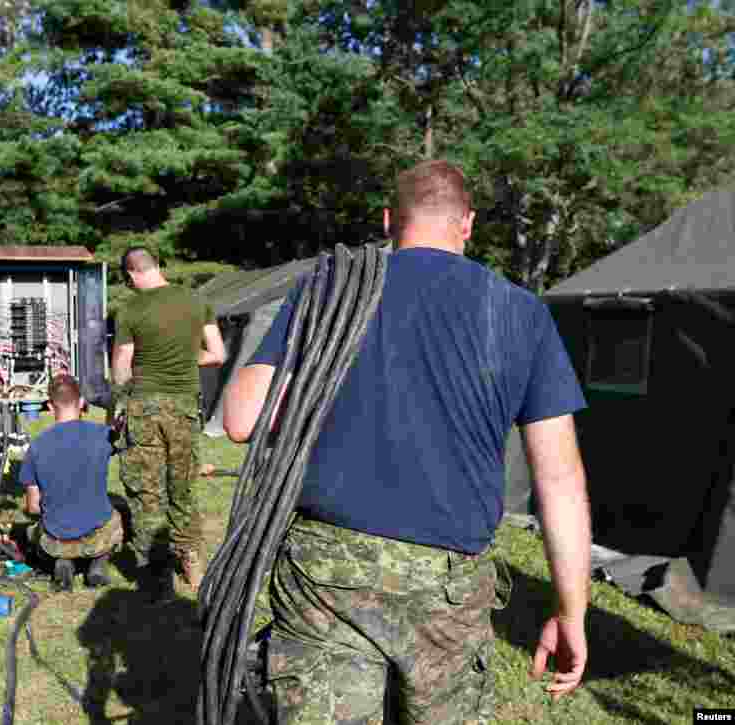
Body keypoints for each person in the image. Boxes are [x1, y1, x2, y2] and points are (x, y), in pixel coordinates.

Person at [222, 160, 591, 724]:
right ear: (467, 222)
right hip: (445, 590)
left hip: (327, 577)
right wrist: (572, 611)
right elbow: (560, 481)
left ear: (390, 219)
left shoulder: (328, 292)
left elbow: (242, 418)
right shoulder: (522, 314)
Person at [112, 245, 227, 597]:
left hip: (144, 407)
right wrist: (182, 358)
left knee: (147, 491)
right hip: (184, 407)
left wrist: (139, 371)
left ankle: (156, 576)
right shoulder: (197, 301)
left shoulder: (130, 309)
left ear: (131, 275)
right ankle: (191, 561)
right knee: (183, 485)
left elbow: (121, 371)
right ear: (157, 265)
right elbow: (219, 355)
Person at [20, 373, 124, 592]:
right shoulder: (102, 436)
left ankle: (63, 563)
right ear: (82, 402)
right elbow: (122, 438)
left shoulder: (36, 446)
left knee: (34, 531)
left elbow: (32, 507)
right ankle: (98, 564)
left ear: (50, 405)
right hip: (97, 536)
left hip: (56, 540)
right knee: (117, 514)